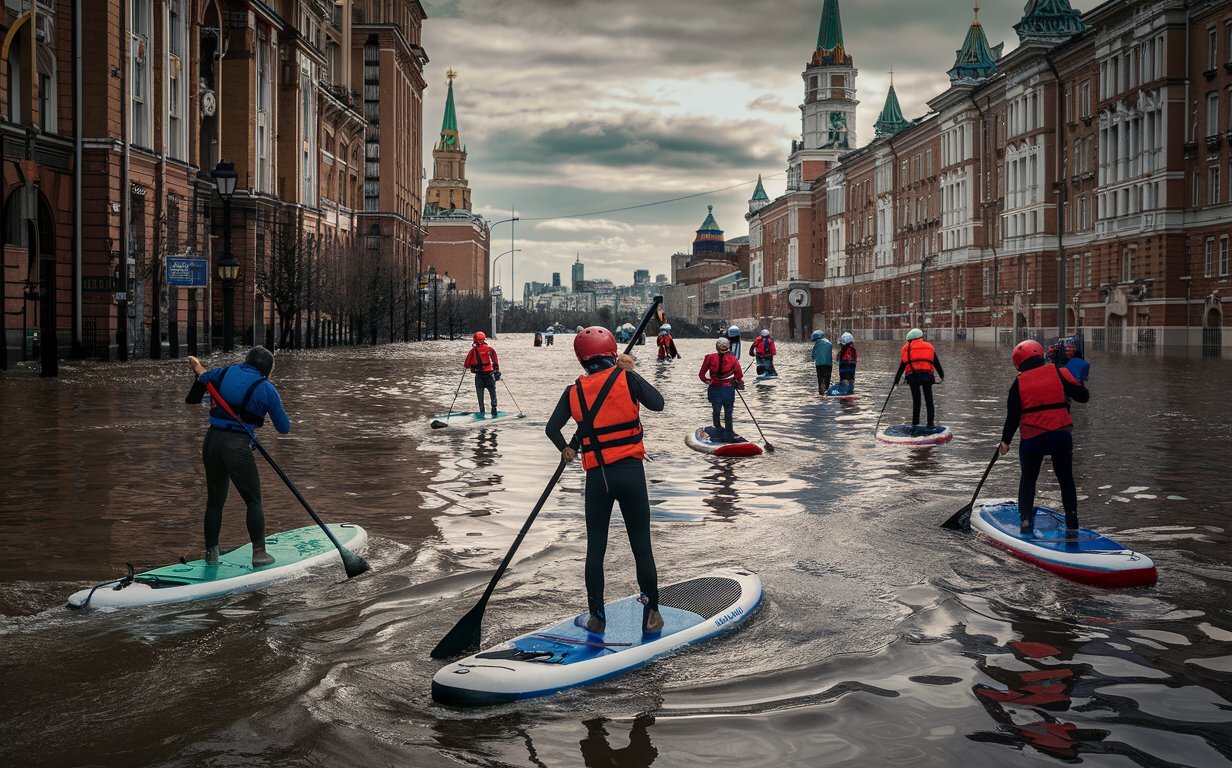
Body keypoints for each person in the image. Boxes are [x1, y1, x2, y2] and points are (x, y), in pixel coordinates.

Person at [545, 326, 665, 635]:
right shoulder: (625, 377)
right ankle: (652, 613)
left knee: (595, 548)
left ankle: (597, 618)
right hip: (631, 474)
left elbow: (552, 428)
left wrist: (567, 449)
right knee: (641, 546)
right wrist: (629, 372)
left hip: (597, 478)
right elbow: (658, 402)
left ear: (581, 360)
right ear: (613, 353)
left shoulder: (573, 391)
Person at [188, 347, 290, 568]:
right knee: (253, 501)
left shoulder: (223, 373)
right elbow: (284, 428)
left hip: (212, 441)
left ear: (246, 361)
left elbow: (202, 375)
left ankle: (212, 554)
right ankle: (260, 554)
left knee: (214, 502)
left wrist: (195, 363)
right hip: (236, 447)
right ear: (268, 369)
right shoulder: (266, 388)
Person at [998, 340, 1090, 536]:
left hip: (1033, 439)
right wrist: (1077, 377)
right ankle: (1072, 522)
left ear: (1018, 363)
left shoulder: (1018, 383)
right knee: (1066, 480)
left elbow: (1013, 416)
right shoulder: (1060, 372)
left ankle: (1025, 521)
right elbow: (1083, 396)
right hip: (1061, 436)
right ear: (1041, 356)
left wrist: (1005, 441)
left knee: (1028, 479)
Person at [893, 328, 945, 430]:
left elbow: (901, 367)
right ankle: (930, 424)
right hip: (927, 377)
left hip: (913, 378)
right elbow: (936, 363)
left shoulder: (906, 349)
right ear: (920, 338)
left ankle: (915, 424)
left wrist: (896, 381)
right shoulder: (929, 347)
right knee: (929, 401)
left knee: (916, 402)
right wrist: (942, 376)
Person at [699, 337, 745, 442]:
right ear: (728, 347)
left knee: (716, 411)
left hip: (714, 389)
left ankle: (717, 431)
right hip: (728, 390)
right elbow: (739, 375)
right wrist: (737, 382)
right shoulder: (733, 359)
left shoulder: (709, 358)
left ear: (716, 347)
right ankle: (729, 433)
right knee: (728, 412)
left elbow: (702, 375)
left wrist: (708, 381)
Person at [464, 331, 500, 415]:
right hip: (490, 375)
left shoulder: (472, 351)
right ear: (484, 339)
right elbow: (495, 362)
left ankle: (482, 411)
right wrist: (496, 371)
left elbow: (466, 364)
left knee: (480, 395)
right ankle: (494, 408)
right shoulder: (490, 349)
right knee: (492, 392)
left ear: (475, 340)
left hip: (479, 376)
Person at [811, 330, 833, 395]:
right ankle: (826, 390)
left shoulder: (816, 345)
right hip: (828, 364)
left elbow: (813, 356)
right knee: (827, 377)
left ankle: (821, 391)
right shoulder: (829, 343)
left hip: (819, 364)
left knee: (820, 378)